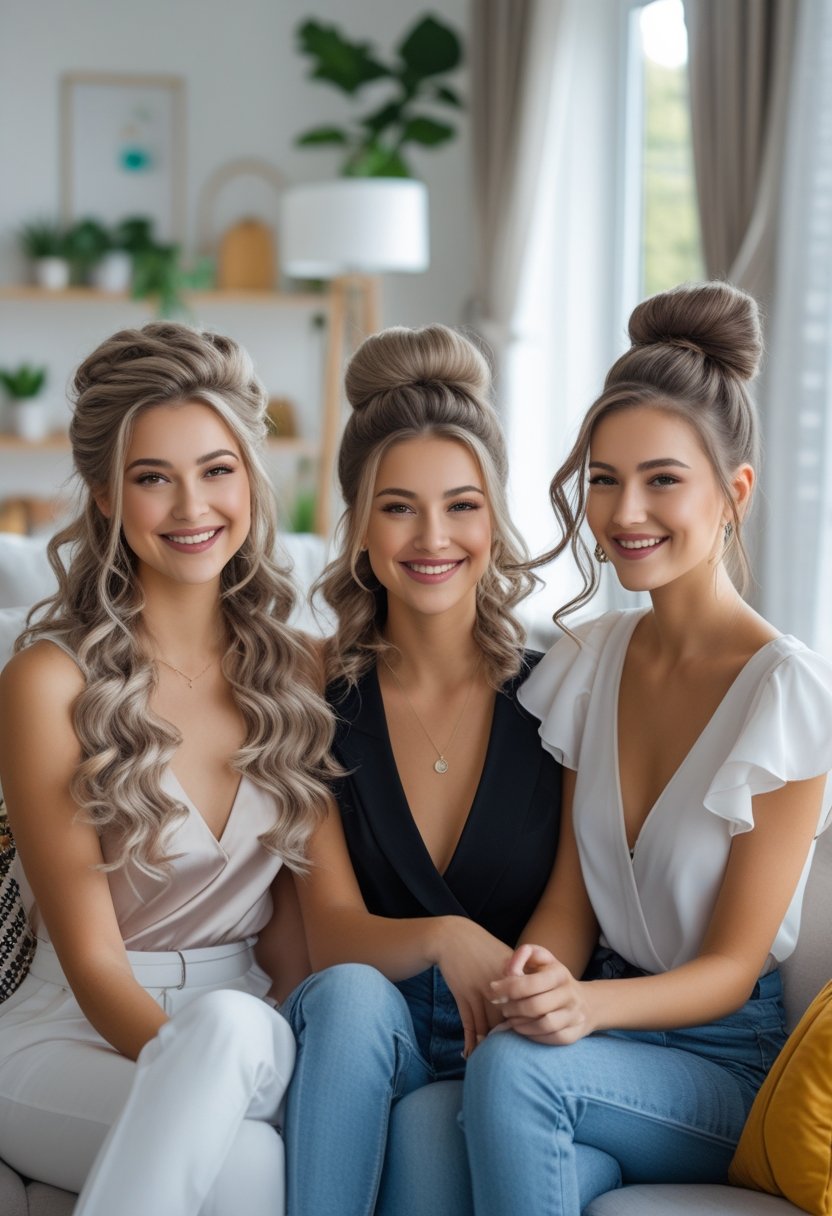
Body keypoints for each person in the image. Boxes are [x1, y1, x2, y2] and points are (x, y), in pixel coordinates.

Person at [459, 281, 832, 1214]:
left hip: (722, 1058)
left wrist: (588, 1010)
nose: (625, 511)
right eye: (603, 477)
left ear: (733, 492)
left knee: (516, 1075)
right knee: (435, 1122)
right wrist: (538, 974)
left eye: (662, 478)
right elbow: (570, 902)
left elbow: (732, 968)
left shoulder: (788, 693)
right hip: (610, 1041)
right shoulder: (592, 658)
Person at [0, 322, 337, 1216]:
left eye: (216, 470)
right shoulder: (46, 682)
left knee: (233, 1032)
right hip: (70, 1034)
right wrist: (201, 1067)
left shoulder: (305, 672)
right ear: (107, 497)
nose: (192, 507)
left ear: (251, 479)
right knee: (245, 1170)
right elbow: (91, 960)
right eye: (153, 477)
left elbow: (296, 937)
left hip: (254, 1027)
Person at [279, 324, 582, 1216]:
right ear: (359, 525)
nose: (433, 537)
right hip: (375, 1032)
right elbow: (332, 931)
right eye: (398, 506)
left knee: (423, 1142)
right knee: (345, 997)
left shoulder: (561, 687)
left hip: (514, 1035)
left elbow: (571, 901)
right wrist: (444, 939)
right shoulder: (313, 694)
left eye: (462, 504)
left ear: (494, 516)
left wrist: (526, 995)